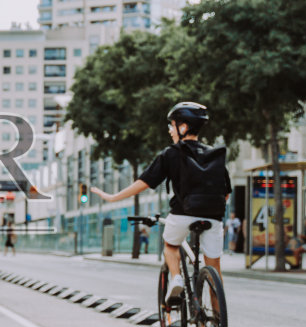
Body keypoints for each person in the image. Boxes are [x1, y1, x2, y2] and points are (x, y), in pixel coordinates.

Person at [90, 101, 230, 308]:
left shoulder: (171, 153)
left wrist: (112, 197)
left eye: (172, 126)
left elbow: (143, 183)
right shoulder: (214, 154)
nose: (170, 131)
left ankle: (176, 279)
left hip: (182, 214)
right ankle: (217, 325)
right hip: (214, 217)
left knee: (170, 245)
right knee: (214, 269)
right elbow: (226, 193)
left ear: (183, 128)